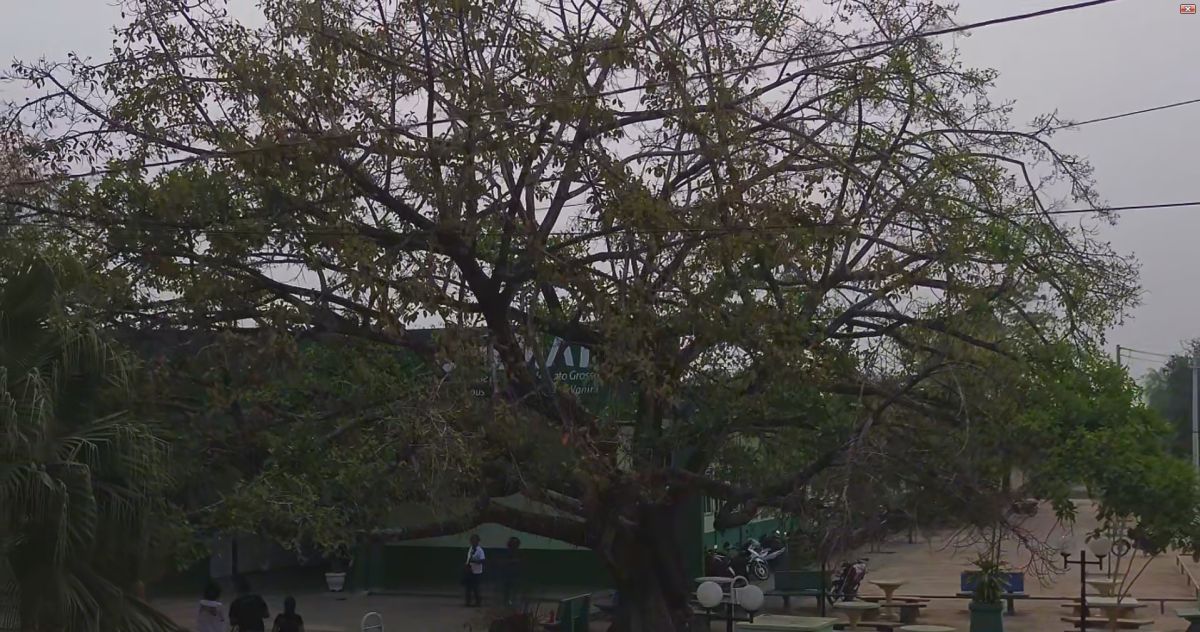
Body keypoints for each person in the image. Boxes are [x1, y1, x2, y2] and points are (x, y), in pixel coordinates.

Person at [463, 533, 486, 607]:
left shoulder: (480, 550)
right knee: (468, 587)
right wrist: (466, 565)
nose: (473, 542)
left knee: (476, 588)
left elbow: (482, 560)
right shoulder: (470, 549)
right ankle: (468, 602)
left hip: (477, 572)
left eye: (475, 541)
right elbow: (468, 558)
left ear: (478, 541)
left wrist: (474, 561)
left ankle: (478, 602)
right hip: (470, 570)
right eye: (472, 541)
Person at [501, 536, 522, 608]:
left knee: (514, 588)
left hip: (515, 574)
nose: (514, 545)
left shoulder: (518, 553)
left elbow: (521, 562)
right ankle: (507, 602)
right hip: (508, 573)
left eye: (515, 544)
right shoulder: (507, 552)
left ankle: (512, 602)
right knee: (507, 589)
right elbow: (503, 562)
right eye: (513, 543)